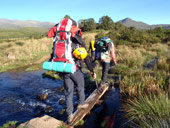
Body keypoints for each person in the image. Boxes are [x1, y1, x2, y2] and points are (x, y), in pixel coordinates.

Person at [47, 18, 96, 124]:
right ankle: (81, 103)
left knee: (68, 93)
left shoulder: (58, 40)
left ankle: (69, 115)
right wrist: (92, 71)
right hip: (74, 69)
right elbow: (86, 58)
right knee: (80, 86)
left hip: (63, 69)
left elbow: (53, 55)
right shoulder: (78, 42)